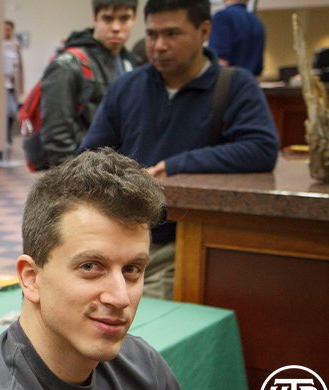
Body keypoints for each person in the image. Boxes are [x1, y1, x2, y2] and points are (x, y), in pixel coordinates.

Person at [0, 148, 185, 390]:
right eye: (91, 266)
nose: (120, 297)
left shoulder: (145, 369)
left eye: (132, 269)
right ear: (31, 279)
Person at [79, 0, 279, 299]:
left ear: (204, 31)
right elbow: (89, 155)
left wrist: (177, 165)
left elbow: (261, 148)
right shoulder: (127, 87)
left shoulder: (236, 86)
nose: (159, 46)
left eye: (172, 34)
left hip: (184, 244)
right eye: (152, 35)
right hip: (119, 238)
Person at [34, 0, 137, 170]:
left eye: (124, 18)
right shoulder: (69, 64)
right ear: (95, 18)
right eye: (108, 19)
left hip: (115, 172)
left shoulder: (130, 62)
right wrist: (71, 180)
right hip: (82, 173)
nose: (116, 27)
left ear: (134, 19)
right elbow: (56, 134)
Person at [209, 0, 265, 76]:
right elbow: (258, 67)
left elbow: (220, 62)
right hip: (250, 84)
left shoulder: (222, 17)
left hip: (227, 84)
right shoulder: (257, 22)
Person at [3, 20, 24, 145]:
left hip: (12, 84)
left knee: (12, 111)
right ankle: (5, 136)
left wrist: (21, 85)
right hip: (1, 85)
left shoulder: (15, 45)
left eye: (9, 29)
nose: (7, 31)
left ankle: (8, 134)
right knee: (5, 111)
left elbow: (20, 66)